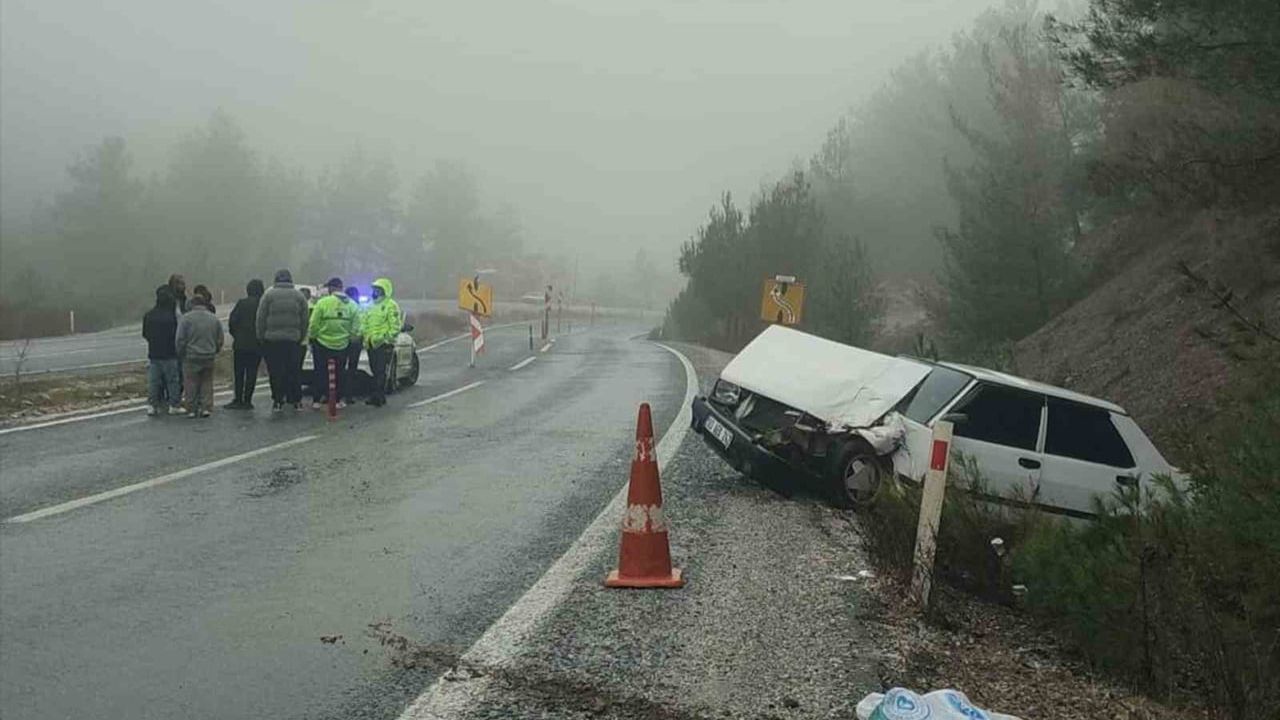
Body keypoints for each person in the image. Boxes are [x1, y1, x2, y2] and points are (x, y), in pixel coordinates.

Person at [255, 269, 309, 412]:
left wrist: (261, 336)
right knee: (294, 370)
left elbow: (261, 318)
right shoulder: (299, 296)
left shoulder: (268, 295)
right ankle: (296, 400)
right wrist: (300, 336)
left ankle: (278, 400)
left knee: (275, 371)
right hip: (293, 339)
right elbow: (305, 320)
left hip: (272, 340)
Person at [307, 277, 355, 409]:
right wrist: (349, 338)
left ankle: (317, 399)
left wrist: (313, 337)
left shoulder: (322, 303)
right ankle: (338, 399)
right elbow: (356, 326)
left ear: (331, 289)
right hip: (342, 344)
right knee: (340, 372)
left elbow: (314, 323)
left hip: (322, 343)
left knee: (320, 372)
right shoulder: (351, 305)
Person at [176, 295, 223, 418]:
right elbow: (220, 338)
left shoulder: (186, 319)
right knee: (207, 382)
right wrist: (215, 350)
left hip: (191, 356)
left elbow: (180, 339)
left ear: (192, 305)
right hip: (208, 355)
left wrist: (181, 353)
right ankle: (206, 408)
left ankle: (191, 408)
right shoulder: (214, 319)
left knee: (190, 382)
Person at [142, 286, 182, 416]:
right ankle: (174, 405)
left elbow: (145, 334)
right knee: (172, 381)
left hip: (154, 352)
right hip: (170, 353)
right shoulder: (171, 316)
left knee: (154, 381)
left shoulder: (149, 315)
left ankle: (152, 405)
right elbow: (177, 335)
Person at [226, 279, 265, 410]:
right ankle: (248, 400)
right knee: (252, 372)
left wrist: (236, 335)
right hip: (257, 344)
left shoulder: (241, 304)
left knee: (239, 372)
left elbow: (232, 321)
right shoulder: (263, 304)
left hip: (240, 344)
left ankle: (238, 399)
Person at [363, 277, 401, 407]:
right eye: (374, 289)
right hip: (371, 344)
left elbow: (395, 326)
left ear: (385, 291)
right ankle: (376, 395)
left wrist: (386, 338)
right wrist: (366, 338)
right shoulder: (370, 305)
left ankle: (379, 396)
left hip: (384, 344)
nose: (375, 292)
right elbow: (365, 323)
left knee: (381, 370)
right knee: (374, 370)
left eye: (378, 290)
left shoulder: (391, 305)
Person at [343, 285, 365, 402]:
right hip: (355, 341)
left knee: (339, 367)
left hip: (341, 340)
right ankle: (349, 395)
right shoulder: (359, 308)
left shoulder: (343, 306)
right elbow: (362, 325)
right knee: (352, 368)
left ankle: (335, 393)